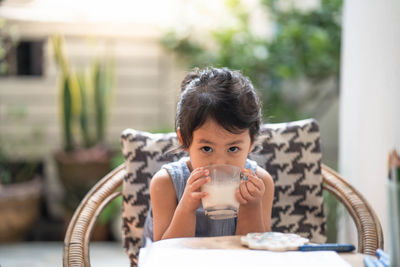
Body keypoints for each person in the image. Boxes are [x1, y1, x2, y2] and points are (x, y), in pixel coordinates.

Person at [142, 67, 274, 242]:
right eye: (206, 149)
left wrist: (251, 206)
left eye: (233, 149)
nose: (220, 161)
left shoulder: (260, 183)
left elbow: (256, 256)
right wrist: (186, 208)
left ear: (251, 143)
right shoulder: (166, 184)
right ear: (184, 140)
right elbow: (166, 255)